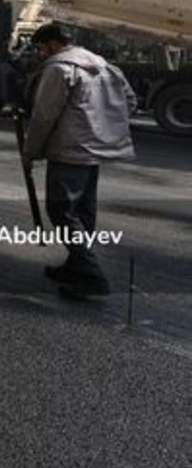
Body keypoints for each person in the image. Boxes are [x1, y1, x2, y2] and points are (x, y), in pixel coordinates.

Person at [24, 23, 136, 297]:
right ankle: (76, 264)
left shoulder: (58, 68)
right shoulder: (106, 67)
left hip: (70, 150)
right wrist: (99, 125)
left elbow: (44, 116)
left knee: (61, 211)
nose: (40, 54)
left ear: (52, 44)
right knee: (83, 211)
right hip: (95, 150)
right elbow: (130, 103)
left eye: (40, 48)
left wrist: (31, 151)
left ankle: (91, 274)